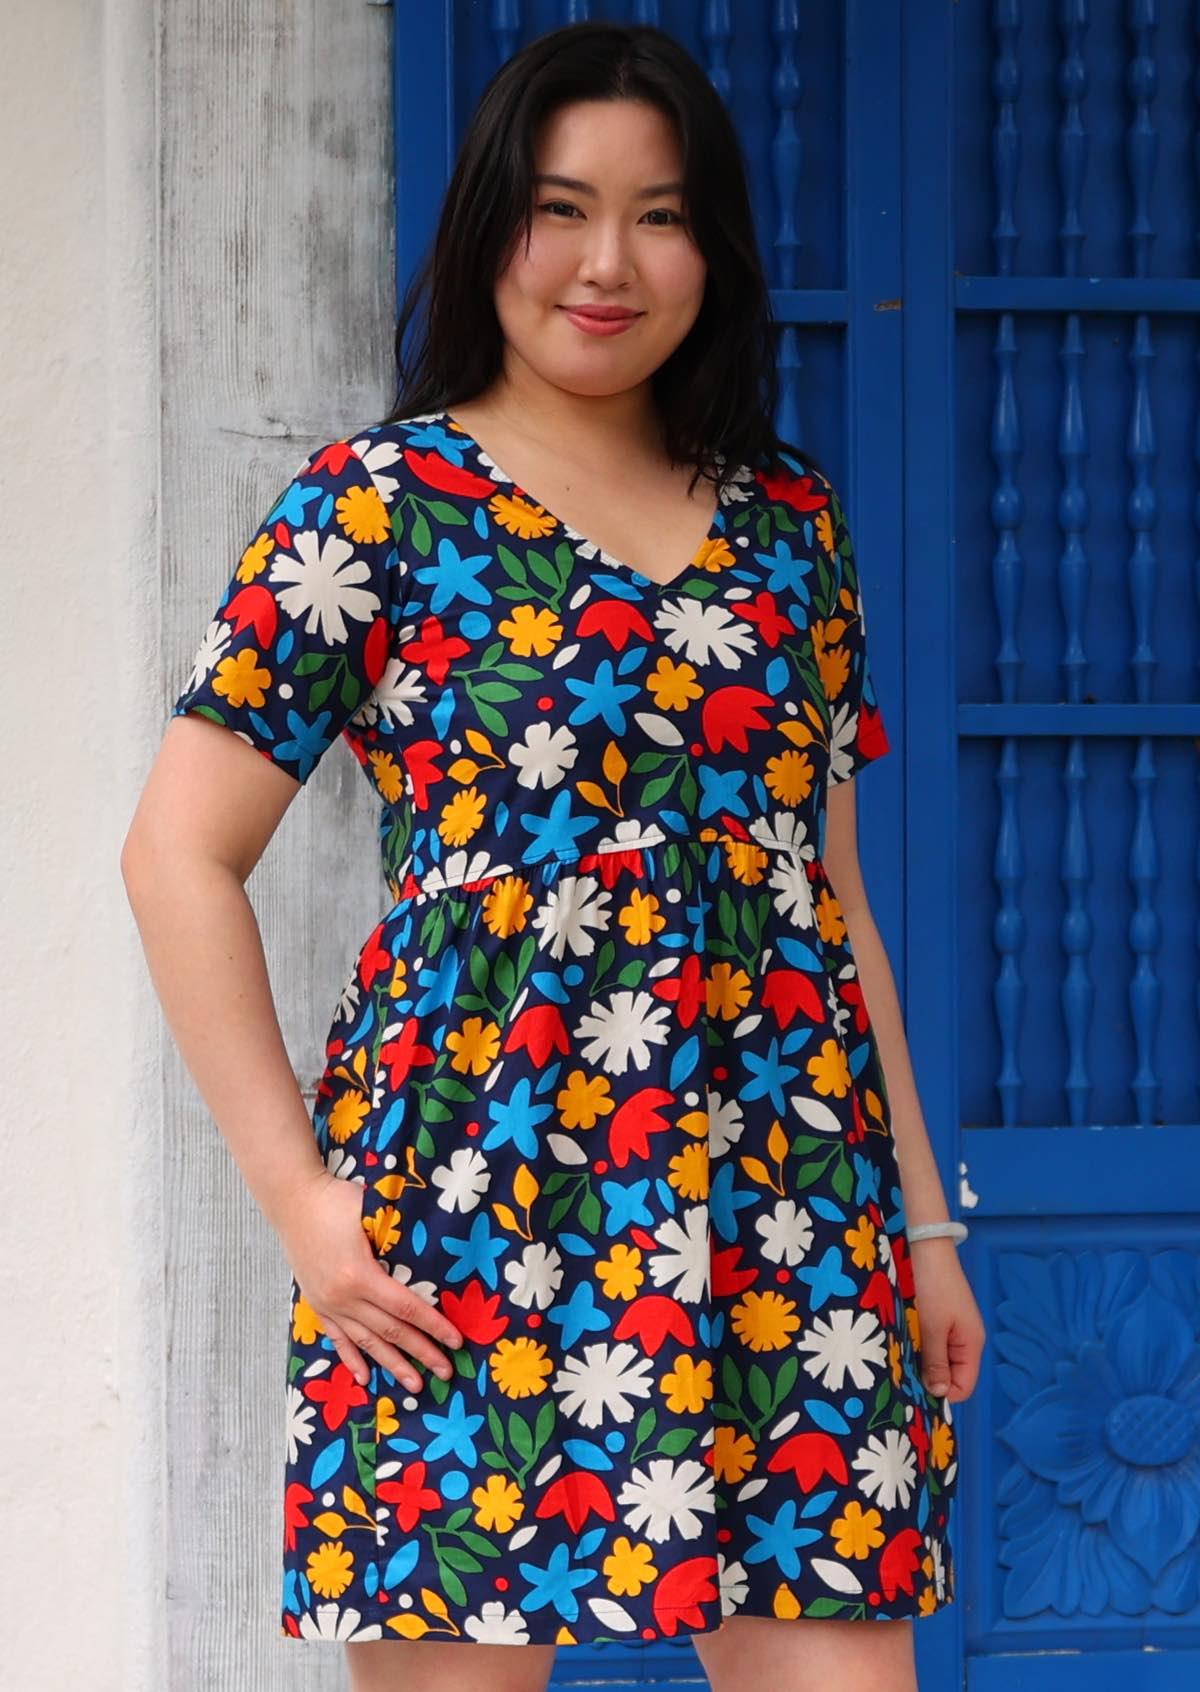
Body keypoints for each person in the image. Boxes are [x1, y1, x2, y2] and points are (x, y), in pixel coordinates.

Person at [121, 18, 986, 1692]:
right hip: (474, 1200)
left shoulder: (790, 526)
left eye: (660, 214)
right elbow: (176, 857)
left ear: (710, 250)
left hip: (789, 1207)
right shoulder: (371, 510)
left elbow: (834, 900)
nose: (608, 262)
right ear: (487, 226)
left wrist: (927, 1229)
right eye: (560, 205)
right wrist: (301, 1200)